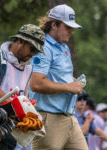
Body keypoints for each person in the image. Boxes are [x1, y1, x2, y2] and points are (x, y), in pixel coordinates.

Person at [29, 4, 89, 150]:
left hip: (69, 118)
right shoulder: (43, 47)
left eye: (72, 27)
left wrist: (74, 83)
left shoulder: (64, 47)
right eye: (67, 26)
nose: (71, 31)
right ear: (54, 24)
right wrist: (69, 87)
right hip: (48, 119)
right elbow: (36, 84)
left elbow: (59, 78)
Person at [0, 24, 45, 150]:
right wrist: (19, 110)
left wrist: (30, 111)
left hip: (10, 132)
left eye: (36, 51)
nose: (33, 54)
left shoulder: (28, 68)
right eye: (32, 49)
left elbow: (24, 98)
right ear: (21, 41)